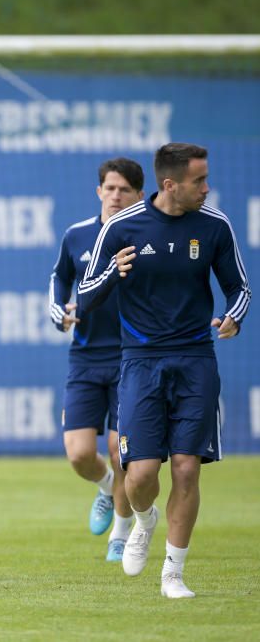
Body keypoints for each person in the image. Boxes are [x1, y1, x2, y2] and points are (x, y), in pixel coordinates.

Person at [78, 143, 250, 598]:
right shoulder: (121, 226)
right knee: (139, 477)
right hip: (138, 363)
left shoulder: (214, 226)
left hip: (196, 360)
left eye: (206, 179)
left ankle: (173, 573)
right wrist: (114, 273)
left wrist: (234, 316)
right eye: (199, 181)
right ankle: (143, 519)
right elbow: (86, 293)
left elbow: (240, 287)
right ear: (170, 184)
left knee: (187, 468)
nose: (207, 188)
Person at [48, 158, 142, 562]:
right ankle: (106, 488)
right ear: (98, 191)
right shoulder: (77, 235)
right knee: (79, 454)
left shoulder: (146, 237)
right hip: (85, 357)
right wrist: (57, 310)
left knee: (120, 449)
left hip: (132, 357)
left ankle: (120, 535)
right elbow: (59, 279)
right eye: (110, 188)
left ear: (139, 195)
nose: (116, 195)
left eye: (124, 189)